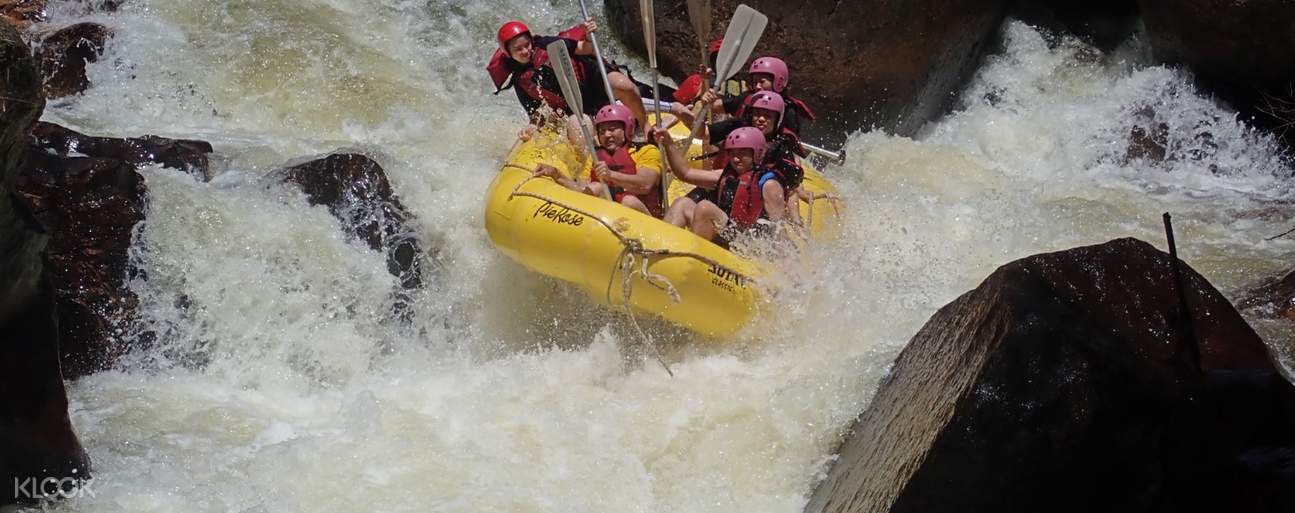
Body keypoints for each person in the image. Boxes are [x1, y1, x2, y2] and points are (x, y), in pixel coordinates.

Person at [486, 20, 649, 141]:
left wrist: (588, 37)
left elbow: (585, 49)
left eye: (527, 45)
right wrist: (531, 127)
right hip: (575, 106)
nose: (526, 51)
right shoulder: (520, 81)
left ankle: (645, 126)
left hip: (592, 79)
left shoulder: (547, 44)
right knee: (576, 128)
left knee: (624, 86)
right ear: (508, 53)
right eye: (518, 49)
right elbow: (536, 115)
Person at [653, 126, 800, 243]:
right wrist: (668, 143)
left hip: (747, 245)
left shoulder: (769, 185)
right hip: (728, 233)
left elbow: (779, 230)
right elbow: (684, 173)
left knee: (705, 208)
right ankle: (660, 246)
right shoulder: (725, 175)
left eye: (743, 153)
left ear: (757, 153)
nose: (736, 159)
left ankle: (693, 262)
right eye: (733, 153)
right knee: (683, 203)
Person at [534, 104, 663, 217]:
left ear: (627, 129)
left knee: (628, 200)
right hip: (607, 217)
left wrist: (611, 175)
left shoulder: (646, 151)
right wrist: (556, 174)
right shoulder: (595, 156)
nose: (607, 135)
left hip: (644, 218)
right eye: (602, 131)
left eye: (612, 129)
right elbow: (582, 191)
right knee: (596, 187)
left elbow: (645, 184)